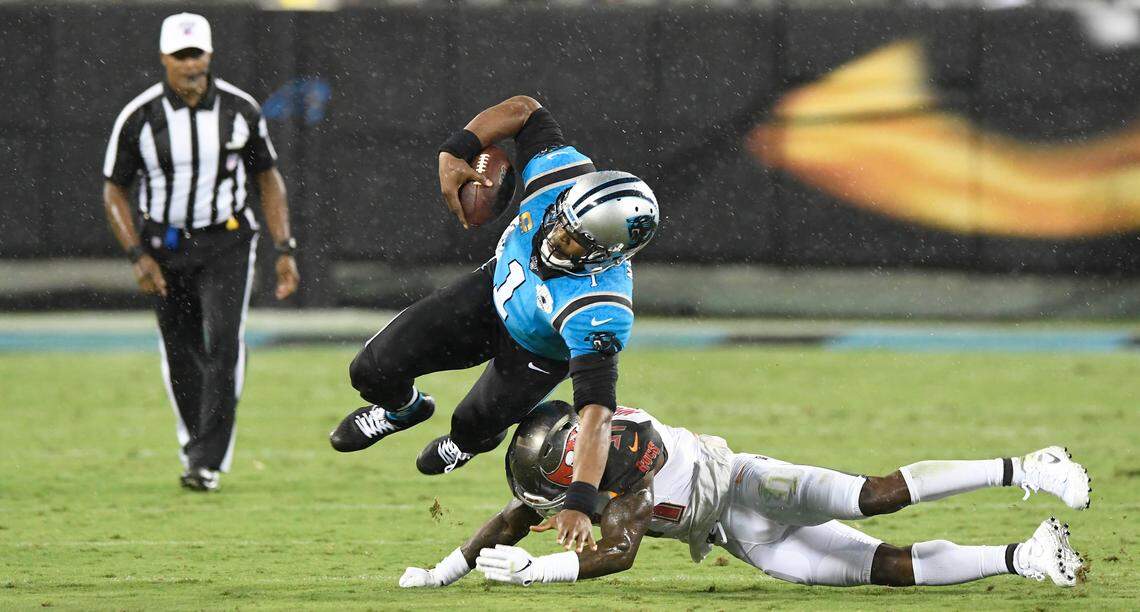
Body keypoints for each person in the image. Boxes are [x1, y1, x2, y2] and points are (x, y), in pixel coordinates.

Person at [329, 96, 659, 552]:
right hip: (491, 293)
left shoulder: (599, 309)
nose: (556, 238)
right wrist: (455, 149)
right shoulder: (560, 175)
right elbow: (525, 109)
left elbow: (597, 415)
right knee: (370, 370)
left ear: (607, 255)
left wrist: (580, 502)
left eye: (574, 242)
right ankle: (404, 410)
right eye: (562, 223)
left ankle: (466, 443)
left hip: (535, 351)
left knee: (472, 425)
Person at [399, 401, 1091, 590]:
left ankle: (1027, 467)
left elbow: (619, 552)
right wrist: (442, 572)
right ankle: (1025, 556)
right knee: (883, 568)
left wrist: (539, 571)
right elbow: (513, 518)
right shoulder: (579, 466)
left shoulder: (627, 451)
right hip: (734, 535)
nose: (553, 501)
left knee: (873, 496)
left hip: (748, 485)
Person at [102, 13, 300, 492]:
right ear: (164, 58)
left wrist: (284, 247)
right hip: (164, 246)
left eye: (197, 54)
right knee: (181, 349)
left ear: (210, 55)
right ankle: (196, 446)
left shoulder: (240, 110)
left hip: (226, 241)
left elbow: (267, 177)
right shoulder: (140, 116)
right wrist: (137, 255)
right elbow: (114, 190)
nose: (191, 65)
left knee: (224, 343)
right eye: (181, 56)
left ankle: (206, 460)